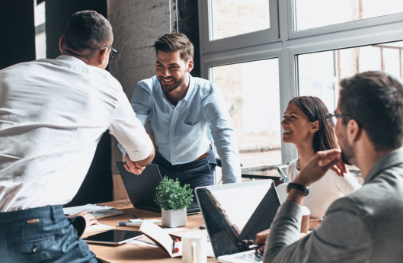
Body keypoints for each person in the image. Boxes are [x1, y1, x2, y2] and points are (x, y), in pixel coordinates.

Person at [0, 11, 154, 262]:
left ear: (62, 43)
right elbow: (143, 152)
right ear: (105, 54)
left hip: (32, 224)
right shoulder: (104, 84)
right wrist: (138, 159)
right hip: (34, 228)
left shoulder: (6, 75)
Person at [254, 71, 403, 262]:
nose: (331, 125)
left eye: (336, 117)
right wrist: (311, 239)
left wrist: (299, 186)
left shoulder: (358, 209)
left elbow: (275, 259)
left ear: (352, 129)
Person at [121, 33, 241, 196]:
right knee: (152, 217)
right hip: (160, 166)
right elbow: (130, 126)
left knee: (200, 217)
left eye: (173, 67)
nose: (165, 74)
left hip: (198, 170)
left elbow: (225, 139)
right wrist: (129, 152)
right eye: (160, 66)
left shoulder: (208, 93)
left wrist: (232, 190)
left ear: (189, 65)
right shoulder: (146, 89)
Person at [281, 96, 361, 225]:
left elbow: (367, 207)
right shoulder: (292, 168)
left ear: (314, 126)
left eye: (293, 117)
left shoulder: (332, 169)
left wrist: (313, 223)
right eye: (285, 116)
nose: (283, 122)